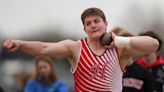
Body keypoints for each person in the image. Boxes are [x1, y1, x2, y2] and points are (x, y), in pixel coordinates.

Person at [3, 7, 159, 92]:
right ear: (84, 29)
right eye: (88, 23)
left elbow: (153, 44)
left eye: (96, 21)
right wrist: (20, 43)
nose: (93, 25)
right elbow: (44, 48)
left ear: (105, 23)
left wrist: (119, 40)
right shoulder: (75, 48)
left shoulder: (119, 49)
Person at [112, 27, 154, 92]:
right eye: (121, 43)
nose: (126, 47)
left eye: (127, 43)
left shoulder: (144, 73)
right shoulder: (109, 71)